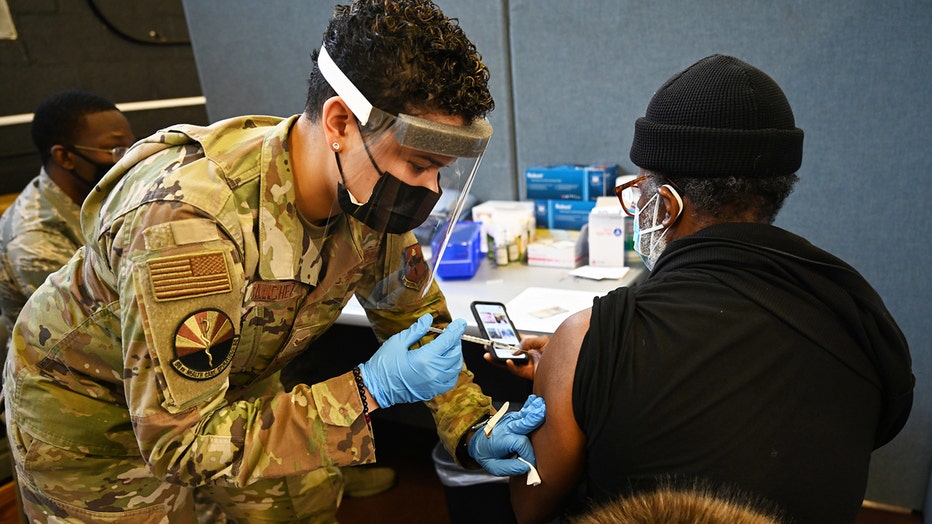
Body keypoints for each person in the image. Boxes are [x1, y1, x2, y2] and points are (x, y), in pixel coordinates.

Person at [2, 1, 544, 522]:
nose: (431, 188)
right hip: (95, 415)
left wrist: (473, 428)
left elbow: (419, 324)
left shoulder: (364, 190)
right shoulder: (191, 223)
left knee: (303, 505)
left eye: (442, 169)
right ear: (339, 124)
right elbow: (179, 441)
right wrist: (368, 390)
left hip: (235, 385)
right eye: (422, 163)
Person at [506, 54, 913, 523]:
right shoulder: (859, 315)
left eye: (641, 193)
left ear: (666, 204)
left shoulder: (588, 339)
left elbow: (529, 506)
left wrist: (559, 379)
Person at [0, 90, 135, 358]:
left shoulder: (99, 198)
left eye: (133, 147)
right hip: (64, 376)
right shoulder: (35, 239)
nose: (129, 159)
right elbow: (96, 333)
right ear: (65, 157)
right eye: (116, 149)